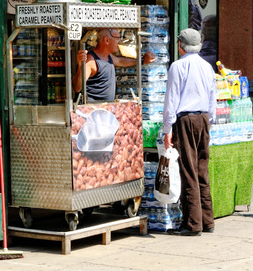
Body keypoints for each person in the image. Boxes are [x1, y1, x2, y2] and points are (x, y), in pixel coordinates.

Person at [163, 28, 217, 236]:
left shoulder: (178, 66)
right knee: (201, 169)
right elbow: (212, 99)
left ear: (180, 45)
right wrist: (208, 122)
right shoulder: (207, 67)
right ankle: (207, 219)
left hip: (186, 119)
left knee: (188, 170)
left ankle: (192, 224)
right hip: (203, 118)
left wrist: (168, 128)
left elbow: (172, 100)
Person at [72, 28, 155, 101]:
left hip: (105, 109)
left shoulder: (108, 56)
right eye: (117, 38)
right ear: (107, 40)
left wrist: (142, 61)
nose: (119, 41)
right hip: (93, 111)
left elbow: (120, 61)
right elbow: (77, 88)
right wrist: (80, 67)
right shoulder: (91, 61)